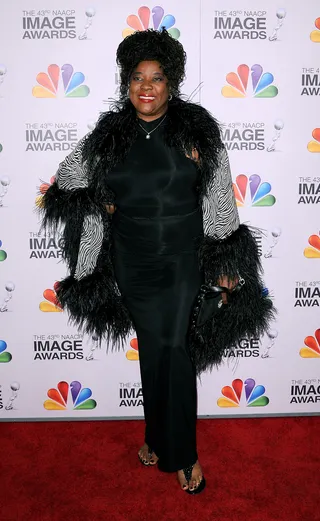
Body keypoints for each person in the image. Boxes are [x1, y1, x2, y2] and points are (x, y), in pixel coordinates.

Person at [40, 29, 274, 494]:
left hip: (182, 261)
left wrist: (227, 258)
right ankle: (154, 437)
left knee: (173, 348)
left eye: (157, 78)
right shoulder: (109, 136)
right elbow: (66, 181)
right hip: (133, 262)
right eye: (137, 78)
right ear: (126, 84)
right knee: (155, 350)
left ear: (172, 83)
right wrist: (99, 201)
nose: (146, 86)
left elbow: (220, 199)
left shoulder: (196, 132)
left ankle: (182, 454)